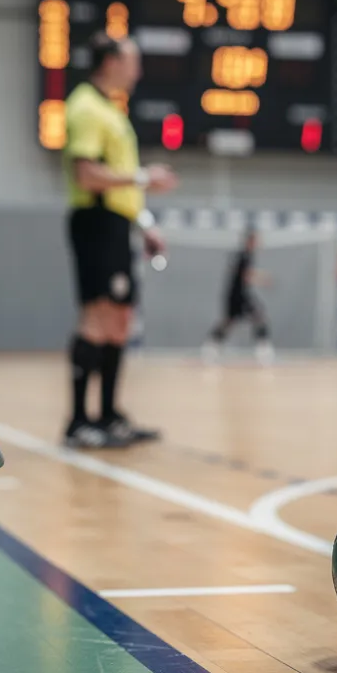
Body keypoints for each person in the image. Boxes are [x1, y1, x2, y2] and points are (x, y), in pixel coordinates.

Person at [63, 32, 179, 449]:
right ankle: (78, 420)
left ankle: (109, 416)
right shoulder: (86, 107)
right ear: (110, 61)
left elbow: (120, 185)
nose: (139, 70)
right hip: (95, 221)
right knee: (97, 316)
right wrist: (145, 177)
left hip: (116, 222)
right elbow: (87, 173)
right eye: (133, 61)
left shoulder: (111, 110)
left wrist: (143, 222)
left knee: (119, 320)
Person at [203, 228, 274, 363]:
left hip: (238, 294)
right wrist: (263, 279)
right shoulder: (244, 256)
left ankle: (212, 346)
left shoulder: (242, 255)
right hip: (238, 295)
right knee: (243, 318)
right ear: (249, 241)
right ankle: (263, 349)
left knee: (249, 318)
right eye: (255, 240)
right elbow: (245, 276)